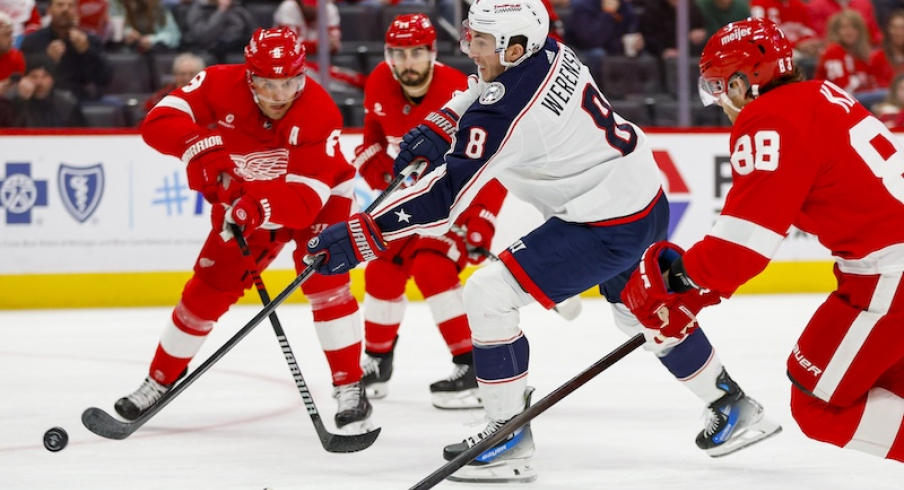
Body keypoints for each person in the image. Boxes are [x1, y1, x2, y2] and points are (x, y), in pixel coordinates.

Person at [305, 0, 781, 482]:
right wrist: (443, 121)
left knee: (488, 293)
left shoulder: (507, 113)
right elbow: (488, 90)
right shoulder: (549, 51)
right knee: (640, 309)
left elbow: (445, 197)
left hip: (604, 220)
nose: (470, 48)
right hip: (639, 194)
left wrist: (365, 232)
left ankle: (506, 435)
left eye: (482, 42)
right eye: (471, 37)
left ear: (514, 47)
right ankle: (733, 405)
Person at [624, 16, 904, 463]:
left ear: (743, 82)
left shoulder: (768, 118)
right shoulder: (818, 96)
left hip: (889, 278)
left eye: (718, 86)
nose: (717, 100)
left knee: (818, 404)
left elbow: (741, 250)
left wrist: (680, 280)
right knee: (887, 389)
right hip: (878, 274)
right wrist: (697, 285)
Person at [116, 26, 374, 434]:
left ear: (302, 74)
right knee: (208, 286)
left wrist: (255, 208)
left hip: (320, 198)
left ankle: (350, 386)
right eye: (268, 84)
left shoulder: (320, 111)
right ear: (250, 76)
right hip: (247, 200)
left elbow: (305, 202)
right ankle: (159, 380)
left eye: (289, 82)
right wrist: (199, 147)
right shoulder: (219, 82)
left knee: (327, 283)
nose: (279, 95)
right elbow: (158, 121)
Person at [353, 13, 506, 409]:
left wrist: (482, 220)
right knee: (382, 267)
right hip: (409, 202)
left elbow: (494, 162)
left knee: (431, 267)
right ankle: (377, 362)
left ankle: (471, 365)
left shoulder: (461, 91)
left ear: (433, 54)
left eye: (417, 53)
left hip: (455, 202)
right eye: (399, 55)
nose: (408, 64)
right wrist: (373, 161)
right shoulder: (378, 83)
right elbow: (373, 132)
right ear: (388, 56)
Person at [18, 0, 113, 102]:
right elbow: (23, 76)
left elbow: (105, 79)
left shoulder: (90, 40)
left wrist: (87, 51)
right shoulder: (33, 40)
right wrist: (47, 60)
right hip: (44, 99)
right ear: (49, 10)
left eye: (71, 5)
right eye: (60, 5)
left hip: (81, 98)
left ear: (77, 11)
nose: (65, 9)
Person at [814, 10, 884, 107]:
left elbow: (873, 81)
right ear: (836, 31)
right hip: (837, 101)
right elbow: (843, 88)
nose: (849, 32)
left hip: (860, 99)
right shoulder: (833, 52)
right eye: (844, 28)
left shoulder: (861, 55)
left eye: (853, 28)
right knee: (888, 95)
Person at [7, 54, 85, 127]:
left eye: (45, 76)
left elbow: (82, 137)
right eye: (34, 76)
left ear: (53, 79)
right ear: (25, 79)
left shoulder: (66, 105)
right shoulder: (11, 103)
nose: (39, 82)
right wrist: (21, 101)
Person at [108, 0, 182, 53]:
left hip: (156, 54)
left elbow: (174, 37)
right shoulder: (117, 4)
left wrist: (151, 40)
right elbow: (114, 25)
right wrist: (126, 33)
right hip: (127, 53)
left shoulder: (158, 7)